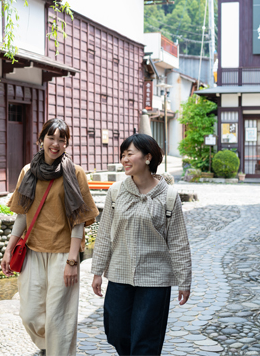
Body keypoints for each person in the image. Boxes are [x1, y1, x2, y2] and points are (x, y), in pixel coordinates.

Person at [1, 118, 99, 356]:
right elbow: (23, 215)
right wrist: (8, 248)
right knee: (31, 314)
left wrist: (73, 262)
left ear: (66, 144)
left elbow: (78, 220)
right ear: (41, 139)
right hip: (33, 250)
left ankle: (59, 351)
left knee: (60, 317)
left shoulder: (75, 173)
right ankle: (49, 347)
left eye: (61, 140)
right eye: (51, 138)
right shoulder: (27, 171)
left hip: (63, 253)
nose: (55, 144)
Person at [91, 133, 192, 356]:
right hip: (119, 275)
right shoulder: (116, 192)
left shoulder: (168, 196)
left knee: (146, 340)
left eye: (130, 154)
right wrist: (98, 271)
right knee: (116, 332)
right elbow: (105, 234)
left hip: (155, 279)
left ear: (147, 157)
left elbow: (178, 242)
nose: (124, 159)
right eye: (123, 155)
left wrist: (184, 280)